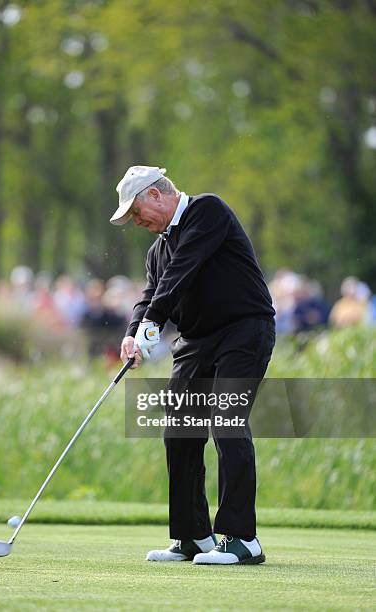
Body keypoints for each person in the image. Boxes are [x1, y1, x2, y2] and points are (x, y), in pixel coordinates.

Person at [111, 165, 275, 566]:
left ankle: (241, 538)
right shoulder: (157, 250)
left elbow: (182, 271)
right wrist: (134, 331)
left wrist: (153, 321)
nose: (136, 221)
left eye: (136, 211)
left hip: (244, 330)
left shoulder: (207, 211)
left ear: (155, 194)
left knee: (226, 421)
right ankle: (192, 536)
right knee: (179, 432)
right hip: (196, 342)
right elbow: (151, 292)